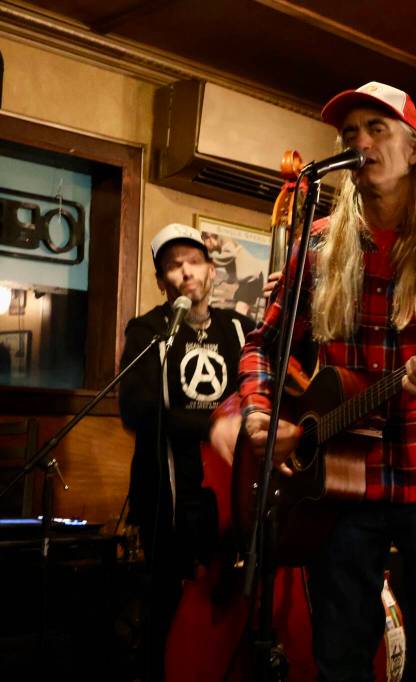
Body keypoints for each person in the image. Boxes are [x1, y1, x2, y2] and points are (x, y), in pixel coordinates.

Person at [238, 81, 416, 681]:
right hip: (341, 485)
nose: (360, 141)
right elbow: (263, 346)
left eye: (377, 128)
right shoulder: (319, 243)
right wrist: (260, 412)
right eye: (350, 132)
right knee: (340, 659)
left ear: (413, 149)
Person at [118, 223, 256, 680]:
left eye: (194, 262)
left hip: (236, 490)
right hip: (170, 497)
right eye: (173, 267)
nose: (186, 272)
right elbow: (136, 409)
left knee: (241, 606)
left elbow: (286, 378)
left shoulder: (241, 328)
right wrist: (211, 425)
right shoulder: (147, 330)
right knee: (168, 610)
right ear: (162, 281)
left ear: (211, 271)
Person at [201, 229, 266, 318]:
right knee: (239, 305)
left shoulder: (224, 239)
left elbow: (231, 254)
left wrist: (210, 260)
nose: (205, 246)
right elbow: (233, 273)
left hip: (252, 279)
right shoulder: (224, 250)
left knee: (240, 309)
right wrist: (221, 280)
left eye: (204, 242)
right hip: (248, 281)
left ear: (210, 238)